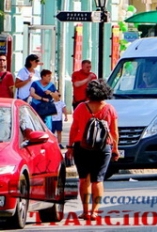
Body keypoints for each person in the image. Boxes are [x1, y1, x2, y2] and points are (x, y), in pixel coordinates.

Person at [66, 80, 119, 220]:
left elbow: (74, 129)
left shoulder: (80, 107)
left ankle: (85, 211)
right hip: (103, 147)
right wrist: (116, 149)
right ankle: (95, 211)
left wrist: (70, 147)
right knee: (98, 180)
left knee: (84, 179)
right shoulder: (109, 109)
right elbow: (114, 132)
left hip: (81, 146)